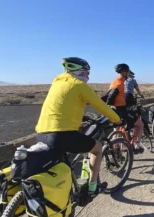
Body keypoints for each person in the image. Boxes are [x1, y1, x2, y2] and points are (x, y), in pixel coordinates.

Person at [36, 57, 122, 198]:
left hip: (40, 134)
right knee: (97, 148)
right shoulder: (80, 86)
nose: (88, 76)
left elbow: (62, 103)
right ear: (80, 72)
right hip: (61, 135)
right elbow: (102, 107)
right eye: (87, 73)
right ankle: (93, 186)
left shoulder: (57, 83)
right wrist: (117, 120)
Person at [124, 70, 144, 151]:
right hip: (128, 98)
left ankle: (116, 144)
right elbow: (137, 90)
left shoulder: (121, 81)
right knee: (135, 116)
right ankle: (137, 145)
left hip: (119, 101)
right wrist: (141, 95)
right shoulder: (132, 80)